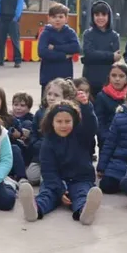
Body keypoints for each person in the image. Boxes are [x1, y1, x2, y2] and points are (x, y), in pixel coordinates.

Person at [17, 96, 103, 224]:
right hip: (56, 181)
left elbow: (91, 125)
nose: (63, 125)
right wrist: (60, 190)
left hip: (80, 179)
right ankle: (35, 209)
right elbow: (48, 170)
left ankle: (84, 212)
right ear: (52, 122)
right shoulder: (48, 142)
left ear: (74, 121)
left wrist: (86, 106)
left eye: (68, 121)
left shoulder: (82, 136)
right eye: (59, 121)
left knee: (81, 194)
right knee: (47, 194)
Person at [26, 79, 77, 185]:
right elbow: (33, 134)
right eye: (49, 94)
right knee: (32, 177)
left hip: (63, 157)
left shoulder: (69, 114)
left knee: (48, 179)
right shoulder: (40, 113)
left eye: (56, 95)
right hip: (41, 155)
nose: (51, 98)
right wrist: (38, 145)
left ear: (66, 97)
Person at [81, 1, 122, 96]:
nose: (100, 18)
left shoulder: (114, 36)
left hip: (108, 79)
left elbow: (116, 58)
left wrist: (98, 56)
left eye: (103, 14)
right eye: (97, 15)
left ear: (109, 16)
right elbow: (89, 54)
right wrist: (110, 56)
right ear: (92, 16)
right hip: (90, 78)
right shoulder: (88, 34)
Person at [37, 4, 81, 93]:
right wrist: (63, 56)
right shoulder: (45, 33)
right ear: (48, 18)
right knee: (48, 99)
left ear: (66, 18)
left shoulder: (70, 32)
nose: (57, 20)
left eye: (61, 17)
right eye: (54, 17)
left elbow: (76, 47)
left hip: (65, 76)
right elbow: (42, 52)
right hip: (48, 77)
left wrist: (55, 47)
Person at [95, 62, 127, 150]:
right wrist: (106, 137)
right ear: (109, 78)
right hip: (107, 140)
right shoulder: (101, 96)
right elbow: (99, 121)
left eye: (121, 76)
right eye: (114, 75)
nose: (117, 79)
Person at [0, 0, 25, 68]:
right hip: (3, 19)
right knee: (1, 41)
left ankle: (17, 61)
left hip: (13, 19)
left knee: (15, 41)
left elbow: (19, 6)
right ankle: (0, 60)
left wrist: (16, 18)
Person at [9, 91, 36, 175]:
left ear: (29, 108)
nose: (18, 108)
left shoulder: (32, 120)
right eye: (16, 105)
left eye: (22, 105)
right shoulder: (9, 117)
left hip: (25, 149)